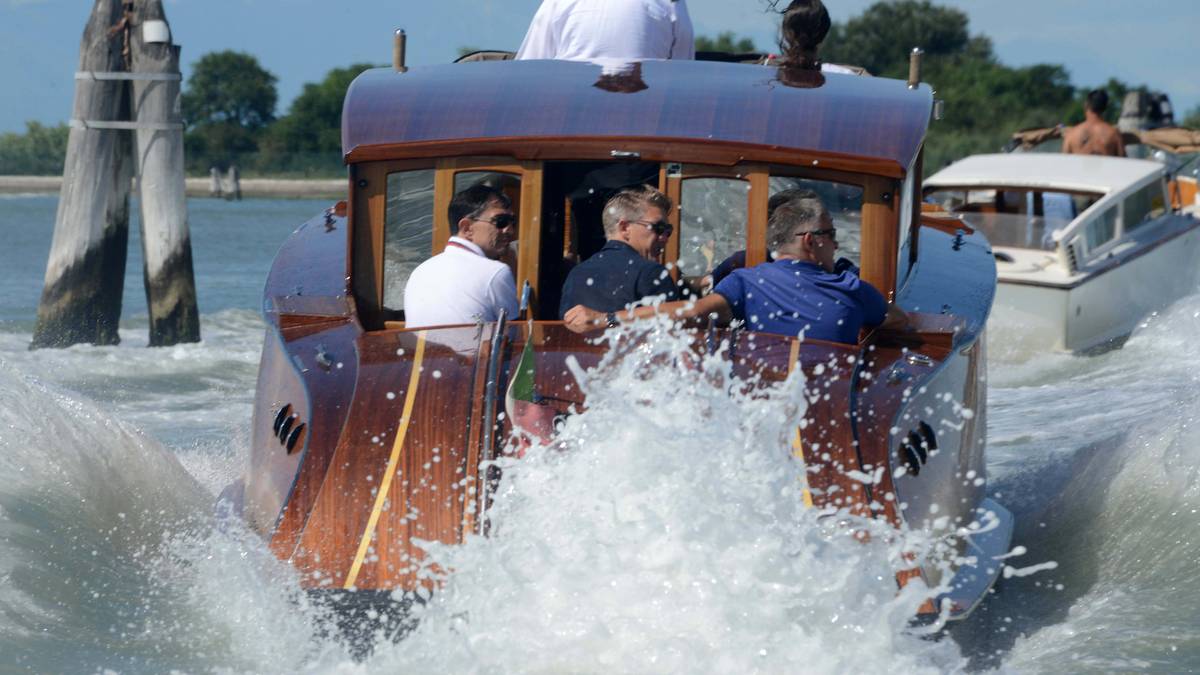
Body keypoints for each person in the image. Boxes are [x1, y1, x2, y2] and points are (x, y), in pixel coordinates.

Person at [565, 195, 906, 343]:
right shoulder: (852, 288)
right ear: (809, 241)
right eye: (831, 234)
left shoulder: (746, 280)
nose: (837, 244)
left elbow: (688, 312)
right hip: (830, 409)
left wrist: (606, 318)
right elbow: (897, 320)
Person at [403, 184, 519, 328]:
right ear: (466, 228)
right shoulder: (496, 272)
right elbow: (512, 338)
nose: (510, 230)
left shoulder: (420, 271)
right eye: (501, 221)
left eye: (512, 222)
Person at [557, 185, 681, 319]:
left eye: (668, 230)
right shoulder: (651, 272)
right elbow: (671, 332)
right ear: (625, 228)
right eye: (659, 228)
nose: (665, 238)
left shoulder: (576, 274)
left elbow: (567, 331)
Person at [515, 0, 694, 62]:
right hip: (644, 125)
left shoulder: (557, 3)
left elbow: (526, 76)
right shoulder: (672, 4)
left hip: (569, 123)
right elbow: (684, 75)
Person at [1062, 90, 1126, 157]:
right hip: (1105, 167)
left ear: (1086, 104)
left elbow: (1064, 163)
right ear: (1105, 107)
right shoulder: (1114, 134)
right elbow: (1123, 164)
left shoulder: (1071, 134)